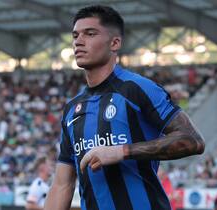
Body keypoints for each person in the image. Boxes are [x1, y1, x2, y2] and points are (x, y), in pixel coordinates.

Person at [44, 5, 205, 210]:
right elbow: (62, 185)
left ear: (115, 43)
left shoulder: (137, 89)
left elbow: (193, 141)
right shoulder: (72, 108)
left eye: (90, 34)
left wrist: (122, 151)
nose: (79, 41)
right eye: (75, 35)